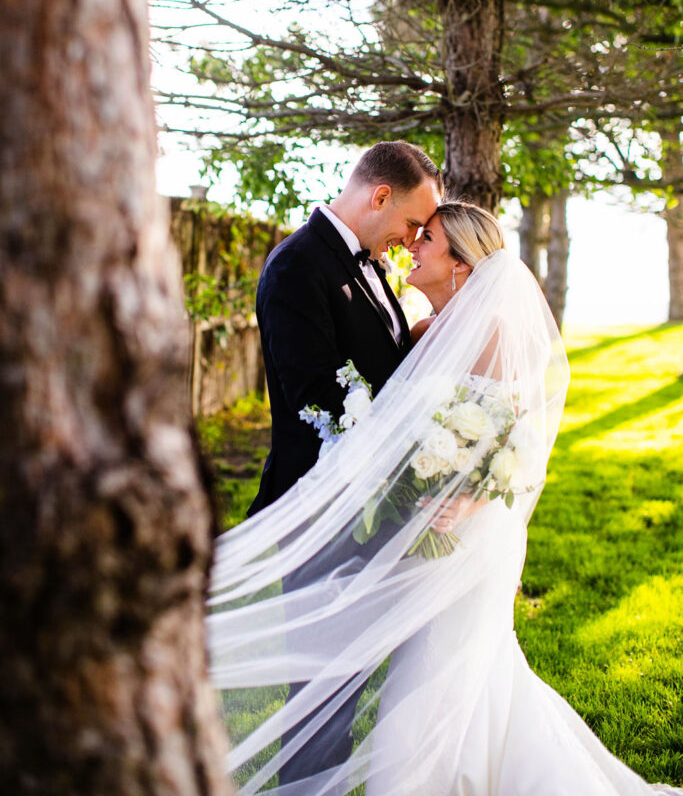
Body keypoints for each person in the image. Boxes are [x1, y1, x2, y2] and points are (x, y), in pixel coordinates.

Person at [208, 201, 682, 796]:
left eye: (426, 239)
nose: (412, 246)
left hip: (462, 535)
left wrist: (471, 503)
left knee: (441, 681)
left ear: (460, 262)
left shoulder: (496, 334)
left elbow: (522, 443)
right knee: (456, 683)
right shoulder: (426, 331)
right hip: (418, 532)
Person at [246, 141, 442, 784]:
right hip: (322, 510)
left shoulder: (368, 266)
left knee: (346, 688)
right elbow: (316, 399)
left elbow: (380, 371)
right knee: (320, 700)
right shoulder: (298, 266)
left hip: (369, 505)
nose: (412, 240)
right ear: (379, 196)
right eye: (412, 224)